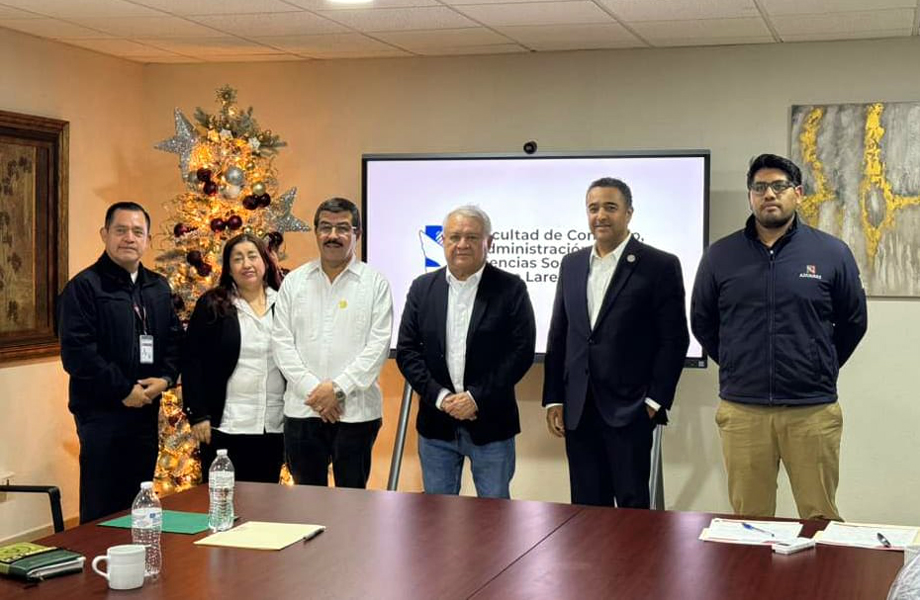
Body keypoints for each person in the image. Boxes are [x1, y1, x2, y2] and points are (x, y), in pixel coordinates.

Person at [691, 153, 868, 520]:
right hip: (743, 411)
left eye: (779, 186)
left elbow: (853, 321)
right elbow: (702, 321)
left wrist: (821, 363)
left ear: (798, 193)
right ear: (751, 196)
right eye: (759, 187)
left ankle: (825, 580)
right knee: (750, 520)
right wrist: (740, 362)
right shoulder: (721, 255)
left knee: (819, 517)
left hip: (812, 410)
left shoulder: (831, 252)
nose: (769, 194)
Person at [543, 178, 689, 508]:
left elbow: (674, 339)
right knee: (585, 508)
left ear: (628, 213)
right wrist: (553, 397)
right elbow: (559, 334)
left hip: (631, 409)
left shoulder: (659, 265)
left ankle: (637, 563)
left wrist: (655, 401)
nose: (601, 216)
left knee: (632, 507)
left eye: (610, 207)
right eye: (593, 208)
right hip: (579, 409)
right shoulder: (572, 264)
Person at [397, 206, 536, 499]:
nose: (462, 244)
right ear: (443, 241)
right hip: (436, 427)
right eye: (454, 237)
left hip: (492, 424)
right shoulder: (422, 288)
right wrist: (442, 398)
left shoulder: (511, 288)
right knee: (438, 518)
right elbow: (408, 351)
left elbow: (520, 352)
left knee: (495, 517)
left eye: (472, 237)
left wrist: (475, 398)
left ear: (490, 242)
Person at [58, 202, 183, 523]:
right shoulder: (84, 287)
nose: (129, 238)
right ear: (105, 234)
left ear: (148, 240)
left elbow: (173, 340)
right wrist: (122, 390)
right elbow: (78, 353)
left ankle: (137, 566)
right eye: (121, 230)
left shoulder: (157, 286)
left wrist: (166, 379)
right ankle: (97, 569)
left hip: (145, 411)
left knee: (138, 501)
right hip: (101, 414)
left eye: (137, 232)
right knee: (102, 506)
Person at [272, 198, 393, 488]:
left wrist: (336, 390)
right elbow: (281, 342)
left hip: (357, 413)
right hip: (304, 409)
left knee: (352, 502)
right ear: (316, 232)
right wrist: (316, 392)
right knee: (307, 501)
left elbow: (378, 346)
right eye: (325, 227)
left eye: (342, 228)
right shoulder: (295, 282)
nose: (333, 236)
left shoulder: (375, 283)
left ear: (357, 235)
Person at [182, 233, 285, 483]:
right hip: (225, 426)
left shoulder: (284, 301)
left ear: (265, 261)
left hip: (272, 425)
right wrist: (198, 415)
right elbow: (192, 360)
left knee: (265, 507)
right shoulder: (213, 304)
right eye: (237, 259)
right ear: (229, 268)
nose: (246, 264)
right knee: (222, 503)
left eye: (252, 256)